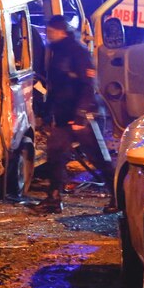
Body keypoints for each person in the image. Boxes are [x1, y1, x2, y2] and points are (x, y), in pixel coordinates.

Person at [31, 16, 115, 215]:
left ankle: (118, 197)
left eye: (51, 31)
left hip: (84, 117)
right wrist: (48, 113)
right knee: (55, 155)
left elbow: (88, 86)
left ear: (61, 31)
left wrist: (80, 116)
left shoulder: (77, 52)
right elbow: (56, 87)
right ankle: (53, 198)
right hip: (64, 116)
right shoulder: (56, 51)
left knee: (99, 158)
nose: (48, 34)